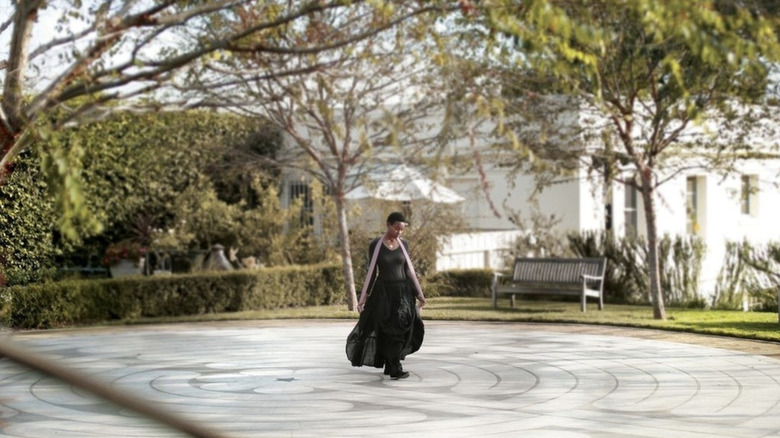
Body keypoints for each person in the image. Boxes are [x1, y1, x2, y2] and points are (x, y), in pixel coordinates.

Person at [346, 212, 426, 380]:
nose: (399, 232)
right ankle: (394, 367)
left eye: (402, 230)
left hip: (403, 293)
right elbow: (372, 272)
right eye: (396, 228)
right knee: (388, 330)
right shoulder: (375, 245)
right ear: (388, 225)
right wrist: (364, 296)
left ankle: (391, 365)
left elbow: (408, 271)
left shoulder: (404, 244)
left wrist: (418, 293)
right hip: (383, 294)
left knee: (402, 329)